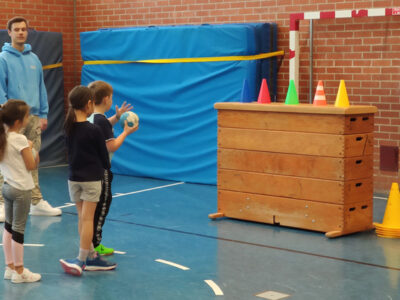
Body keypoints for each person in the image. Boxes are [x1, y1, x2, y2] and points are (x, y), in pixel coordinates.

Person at [0, 16, 62, 221]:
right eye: (16, 29)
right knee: (5, 160)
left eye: (23, 29)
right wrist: (6, 115)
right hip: (10, 120)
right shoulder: (3, 59)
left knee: (32, 159)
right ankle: (1, 202)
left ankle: (36, 201)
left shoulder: (34, 58)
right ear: (9, 33)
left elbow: (40, 88)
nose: (20, 32)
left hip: (32, 118)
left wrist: (42, 114)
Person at [59, 86, 116, 276]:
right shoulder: (94, 130)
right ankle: (82, 260)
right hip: (91, 179)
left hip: (73, 179)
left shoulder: (68, 127)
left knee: (82, 217)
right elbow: (105, 158)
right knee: (88, 219)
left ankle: (91, 255)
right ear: (88, 104)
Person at [88, 80, 138, 256]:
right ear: (107, 99)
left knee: (90, 209)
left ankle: (88, 243)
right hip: (101, 170)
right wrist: (126, 132)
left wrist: (117, 117)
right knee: (103, 204)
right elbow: (112, 146)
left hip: (88, 168)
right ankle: (96, 243)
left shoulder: (91, 117)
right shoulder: (100, 121)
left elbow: (103, 124)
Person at [0, 99, 41, 283]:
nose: (28, 118)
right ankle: (20, 271)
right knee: (18, 230)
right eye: (26, 116)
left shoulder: (3, 136)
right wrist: (32, 149)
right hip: (21, 190)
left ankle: (9, 267)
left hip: (7, 187)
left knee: (8, 227)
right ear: (18, 122)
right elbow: (31, 165)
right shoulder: (20, 139)